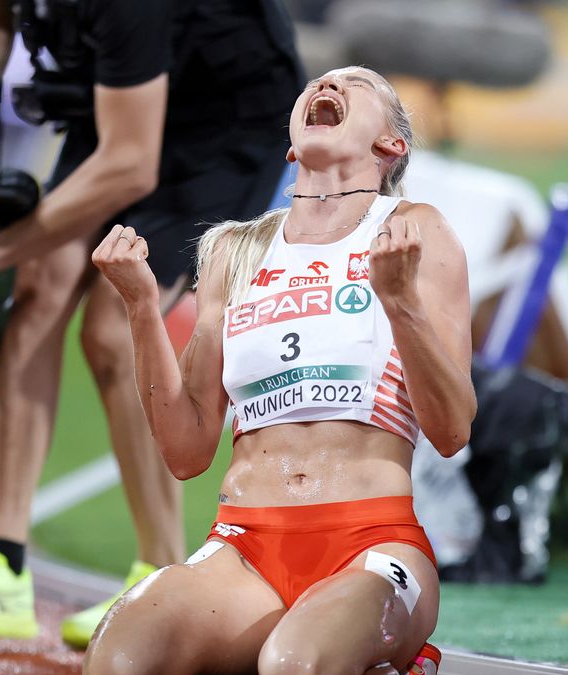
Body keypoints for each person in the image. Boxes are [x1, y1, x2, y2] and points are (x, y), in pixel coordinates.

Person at [0, 0, 302, 647]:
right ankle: (1, 566)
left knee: (110, 328)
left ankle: (159, 578)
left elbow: (130, 164)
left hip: (222, 123)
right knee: (39, 284)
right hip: (119, 99)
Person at [84, 66, 475, 675]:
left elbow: (452, 430)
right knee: (118, 658)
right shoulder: (232, 251)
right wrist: (140, 309)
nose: (329, 86)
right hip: (243, 550)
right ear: (292, 146)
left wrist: (399, 303)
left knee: (293, 665)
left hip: (372, 542)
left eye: (355, 84)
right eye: (319, 82)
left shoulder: (413, 232)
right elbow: (186, 451)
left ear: (391, 145)